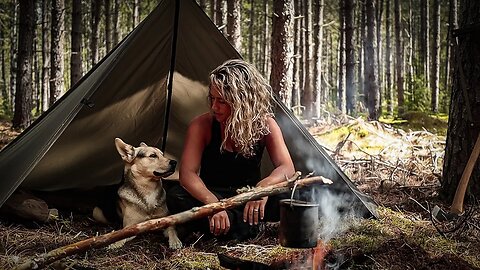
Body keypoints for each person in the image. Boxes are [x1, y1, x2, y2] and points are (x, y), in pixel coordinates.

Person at [166, 59, 295, 240]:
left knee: (295, 196)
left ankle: (229, 227)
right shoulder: (202, 125)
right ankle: (245, 226)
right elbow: (187, 174)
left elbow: (286, 167)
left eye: (222, 101)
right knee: (176, 197)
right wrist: (214, 205)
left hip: (249, 197)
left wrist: (261, 190)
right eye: (212, 98)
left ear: (243, 101)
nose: (214, 107)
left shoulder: (265, 124)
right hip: (212, 195)